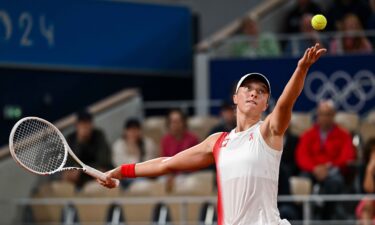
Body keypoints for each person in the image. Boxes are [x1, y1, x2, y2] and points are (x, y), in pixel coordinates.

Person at [98, 44, 326, 225]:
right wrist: (121, 171)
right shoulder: (218, 141)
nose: (254, 93)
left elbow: (286, 105)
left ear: (266, 103)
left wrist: (301, 70)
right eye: (248, 88)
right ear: (235, 98)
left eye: (261, 91)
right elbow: (167, 163)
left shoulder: (268, 132)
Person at [295, 99, 356, 219]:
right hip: (312, 171)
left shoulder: (343, 135)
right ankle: (302, 218)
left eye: (328, 114)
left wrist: (328, 168)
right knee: (302, 181)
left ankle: (325, 217)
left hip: (332, 171)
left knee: (335, 182)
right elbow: (301, 156)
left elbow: (347, 156)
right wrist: (314, 168)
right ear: (317, 115)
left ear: (333, 115)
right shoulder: (308, 134)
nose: (324, 117)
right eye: (321, 114)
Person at [62, 111, 112, 188]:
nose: (85, 126)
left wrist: (82, 169)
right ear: (77, 125)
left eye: (87, 123)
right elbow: (68, 162)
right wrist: (80, 141)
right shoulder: (71, 139)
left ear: (91, 124)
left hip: (94, 174)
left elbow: (103, 161)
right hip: (78, 177)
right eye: (82, 123)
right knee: (66, 176)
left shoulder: (99, 136)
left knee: (102, 172)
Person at [356, 138, 375, 225]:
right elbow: (369, 191)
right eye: (373, 152)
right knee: (367, 203)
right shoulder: (364, 168)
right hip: (369, 203)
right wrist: (369, 170)